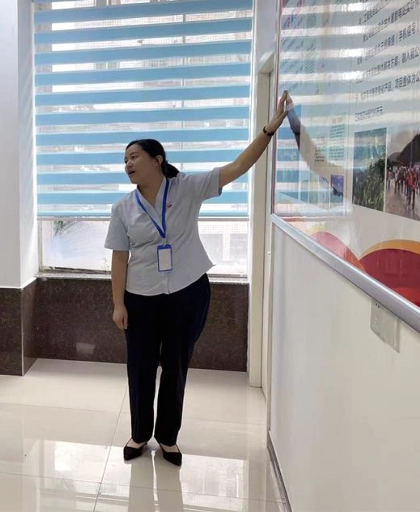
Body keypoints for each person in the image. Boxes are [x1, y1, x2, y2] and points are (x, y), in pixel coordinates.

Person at [106, 92, 289, 466]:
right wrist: (118, 304)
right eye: (125, 160)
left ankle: (167, 438)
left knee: (176, 365)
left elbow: (238, 166)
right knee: (140, 367)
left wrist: (269, 130)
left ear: (157, 160)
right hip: (140, 297)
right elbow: (119, 258)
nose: (128, 164)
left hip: (187, 292)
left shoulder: (187, 187)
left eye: (134, 157)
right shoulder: (123, 208)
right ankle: (139, 434)